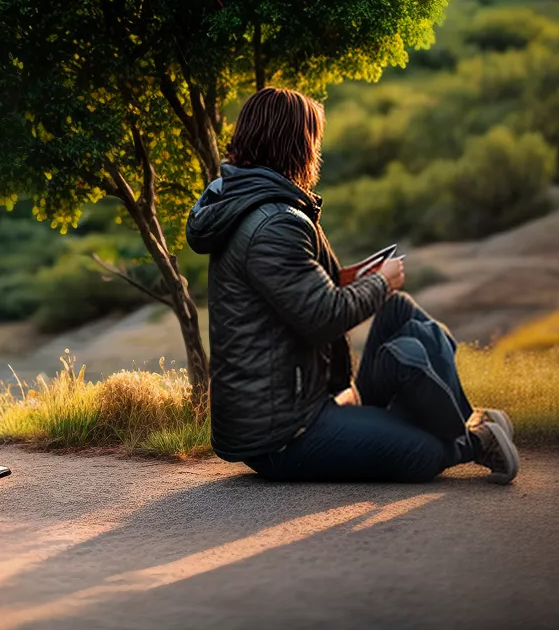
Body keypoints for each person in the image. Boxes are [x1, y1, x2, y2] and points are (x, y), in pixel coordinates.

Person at [185, 87, 519, 484]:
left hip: (295, 399)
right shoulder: (274, 222)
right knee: (424, 453)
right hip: (283, 433)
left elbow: (292, 295)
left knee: (402, 313)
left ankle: (452, 421)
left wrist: (355, 282)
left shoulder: (251, 202)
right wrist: (379, 281)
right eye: (313, 139)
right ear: (294, 143)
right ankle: (473, 441)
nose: (316, 151)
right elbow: (323, 318)